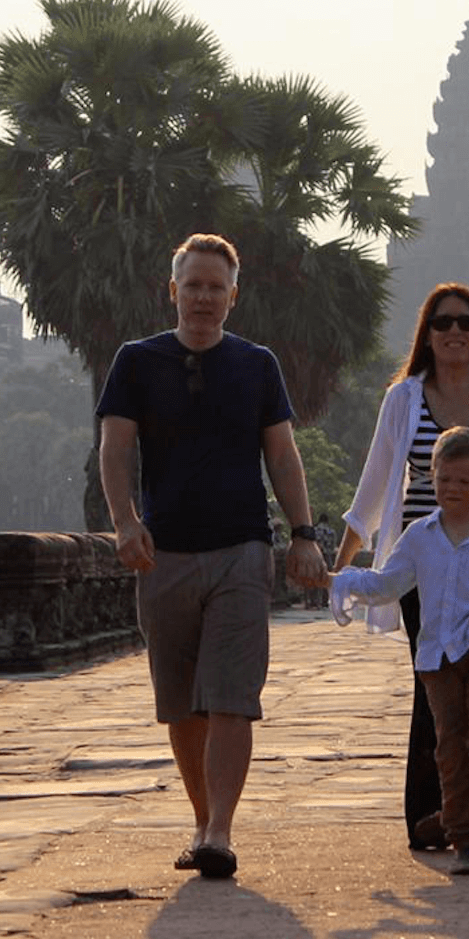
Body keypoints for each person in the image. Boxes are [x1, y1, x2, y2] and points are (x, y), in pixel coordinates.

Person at [95, 233, 326, 880]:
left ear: (233, 295)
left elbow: (282, 454)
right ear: (173, 291)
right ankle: (201, 818)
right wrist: (124, 523)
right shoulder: (137, 362)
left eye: (215, 287)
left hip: (241, 548)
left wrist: (303, 531)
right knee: (183, 702)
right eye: (192, 285)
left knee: (231, 696)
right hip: (164, 551)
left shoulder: (256, 365)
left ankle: (220, 831)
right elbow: (116, 449)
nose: (203, 297)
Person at [332, 282, 469, 854]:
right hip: (424, 560)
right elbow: (376, 483)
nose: (454, 332)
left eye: (465, 323)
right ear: (426, 335)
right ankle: (432, 811)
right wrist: (340, 568)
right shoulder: (404, 398)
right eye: (443, 323)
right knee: (433, 686)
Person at [329, 427, 469, 875]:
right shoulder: (420, 536)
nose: (453, 490)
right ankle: (464, 840)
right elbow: (388, 584)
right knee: (449, 748)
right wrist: (341, 579)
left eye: (464, 482)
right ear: (431, 478)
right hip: (436, 661)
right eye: (445, 480)